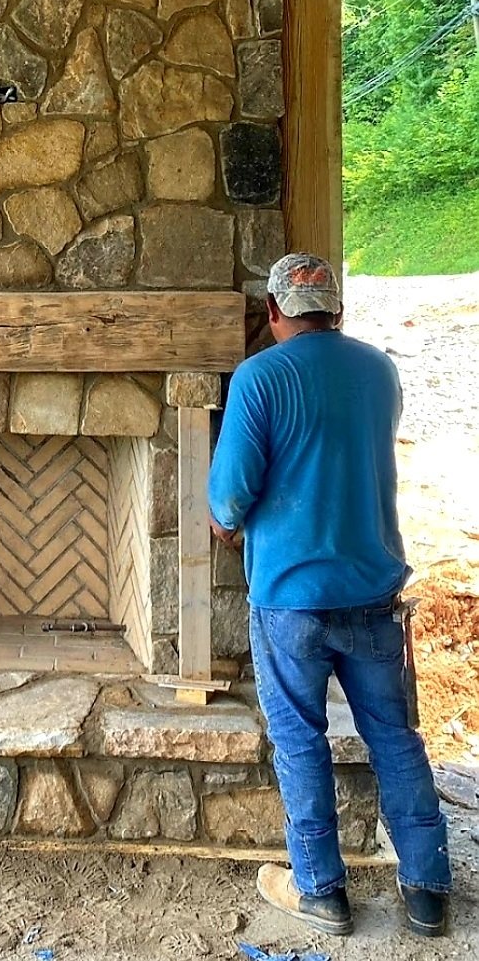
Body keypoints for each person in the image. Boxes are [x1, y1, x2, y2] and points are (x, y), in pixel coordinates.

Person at [208, 253, 451, 939]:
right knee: (395, 738)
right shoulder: (379, 371)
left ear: (273, 312)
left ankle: (320, 890)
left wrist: (224, 523)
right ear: (337, 310)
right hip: (372, 591)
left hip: (291, 597)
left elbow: (229, 497)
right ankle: (427, 889)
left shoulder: (260, 377)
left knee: (299, 742)